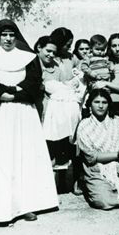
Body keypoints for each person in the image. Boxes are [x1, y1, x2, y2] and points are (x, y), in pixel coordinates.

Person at [0, 19, 58, 224]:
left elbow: (34, 82)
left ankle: (25, 205)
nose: (8, 39)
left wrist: (17, 94)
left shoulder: (28, 57)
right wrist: (7, 95)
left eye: (12, 35)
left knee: (23, 156)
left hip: (23, 113)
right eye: (4, 35)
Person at [35, 36, 83, 169]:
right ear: (39, 47)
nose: (51, 55)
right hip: (36, 107)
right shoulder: (32, 65)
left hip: (53, 111)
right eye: (48, 51)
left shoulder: (56, 68)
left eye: (54, 53)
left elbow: (64, 87)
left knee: (54, 147)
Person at [93, 33, 119, 125]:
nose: (117, 49)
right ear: (109, 48)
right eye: (114, 46)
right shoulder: (104, 63)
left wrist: (107, 84)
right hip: (103, 104)